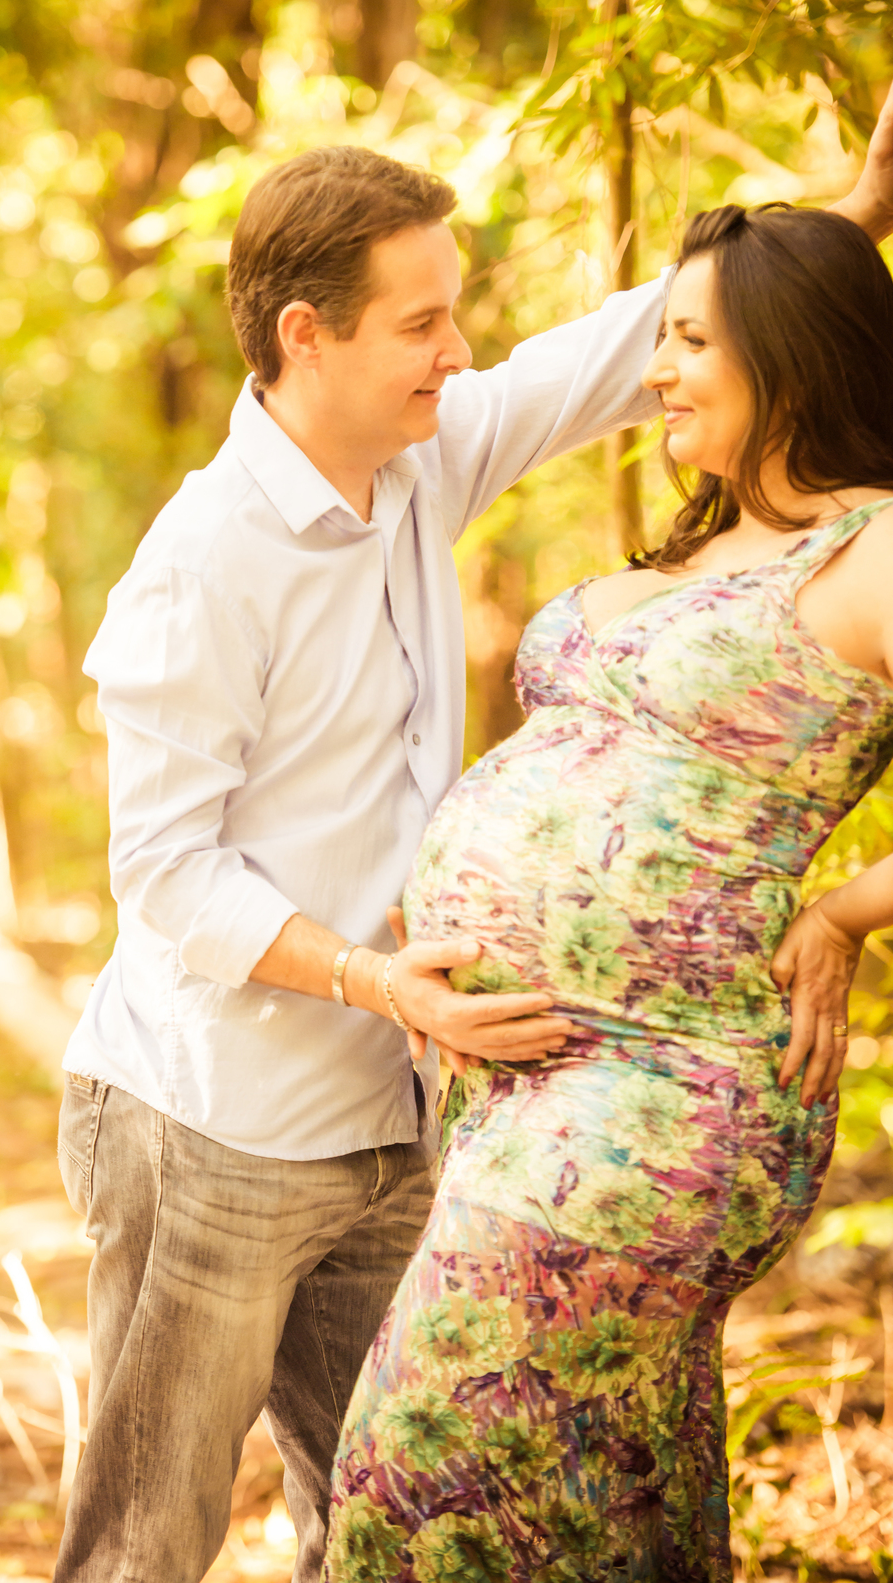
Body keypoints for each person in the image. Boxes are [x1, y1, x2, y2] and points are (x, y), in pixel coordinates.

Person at [53, 126, 893, 1583]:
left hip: (420, 1117)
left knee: (399, 1512)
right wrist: (390, 985)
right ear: (307, 337)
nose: (463, 348)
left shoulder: (420, 452)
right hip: (220, 1118)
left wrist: (856, 215)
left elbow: (638, 350)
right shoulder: (204, 564)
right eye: (425, 321)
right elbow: (168, 875)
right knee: (147, 1535)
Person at [326, 201, 893, 1583]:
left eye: (692, 339)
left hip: (664, 1091)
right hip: (513, 1085)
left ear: (795, 354)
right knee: (606, 1482)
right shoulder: (710, 538)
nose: (659, 367)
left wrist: (847, 906)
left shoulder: (872, 547)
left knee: (414, 1471)